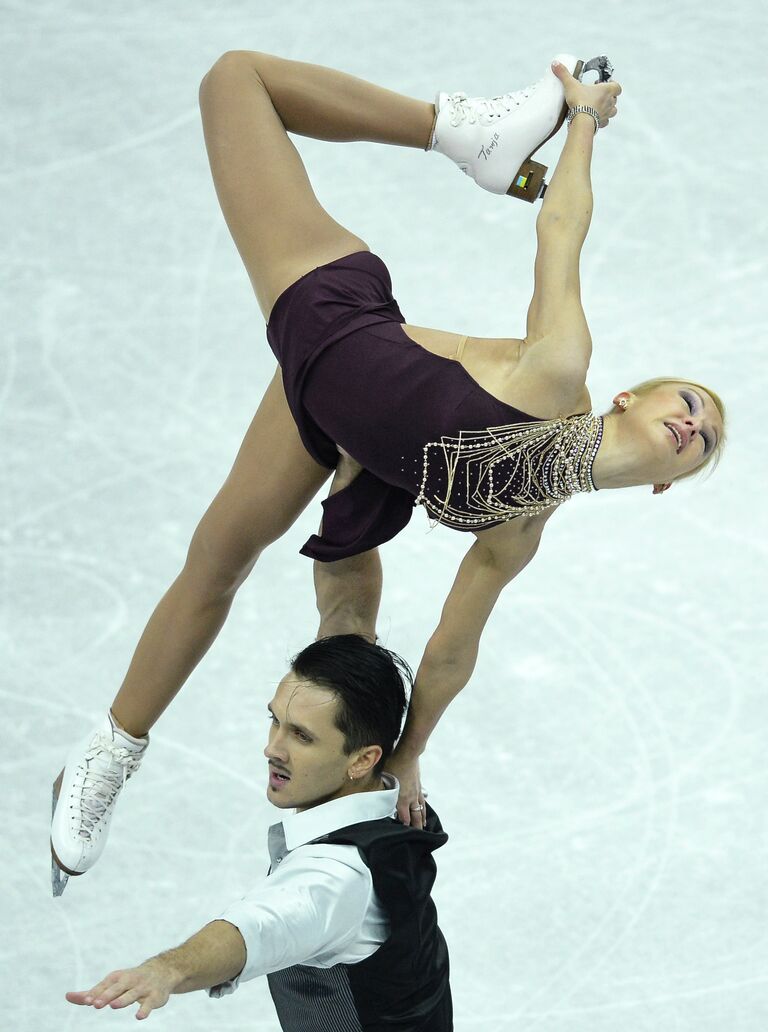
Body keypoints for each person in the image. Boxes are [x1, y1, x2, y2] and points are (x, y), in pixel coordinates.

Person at [51, 48, 726, 885]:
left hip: (327, 426)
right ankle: (464, 132)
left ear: (669, 482)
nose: (697, 422)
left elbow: (449, 649)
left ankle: (109, 753)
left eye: (707, 436)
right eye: (690, 402)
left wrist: (408, 756)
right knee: (236, 82)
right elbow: (563, 227)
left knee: (220, 565)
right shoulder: (559, 373)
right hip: (335, 313)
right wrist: (582, 117)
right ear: (628, 397)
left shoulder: (519, 532)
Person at [65, 636, 452, 1029]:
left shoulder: (337, 876)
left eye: (302, 736)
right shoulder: (393, 808)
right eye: (275, 721)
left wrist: (168, 969)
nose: (273, 749)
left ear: (363, 759)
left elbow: (261, 926)